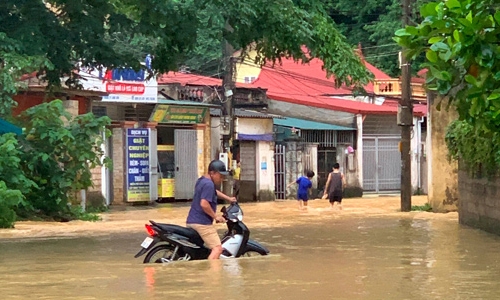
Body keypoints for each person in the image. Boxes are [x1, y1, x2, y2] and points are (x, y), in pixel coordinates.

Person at [186, 159, 237, 259]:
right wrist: (216, 217)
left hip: (192, 220)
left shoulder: (202, 180)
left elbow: (214, 192)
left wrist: (228, 198)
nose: (222, 178)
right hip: (202, 224)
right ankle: (211, 273)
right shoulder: (209, 184)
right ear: (212, 173)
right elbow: (204, 204)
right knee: (218, 249)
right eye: (220, 175)